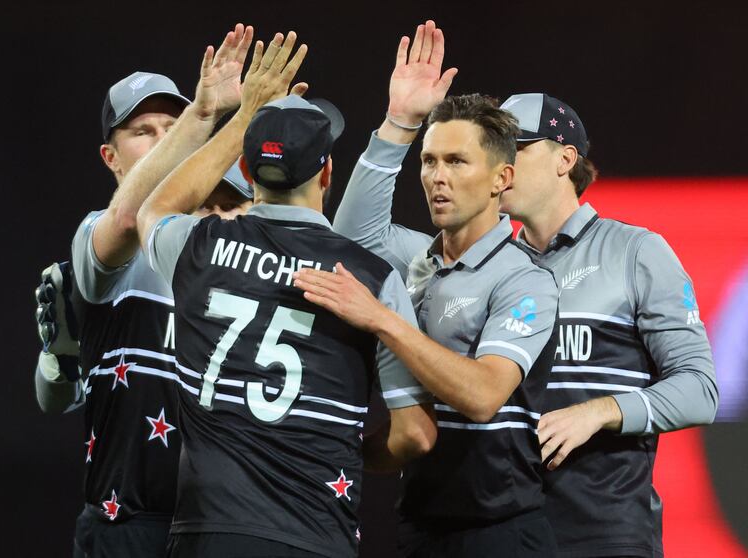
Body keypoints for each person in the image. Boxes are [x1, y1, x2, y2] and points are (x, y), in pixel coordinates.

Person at [136, 31, 437, 558]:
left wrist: (243, 117)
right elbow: (414, 436)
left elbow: (153, 209)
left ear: (248, 171)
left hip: (206, 533)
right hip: (313, 534)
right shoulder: (371, 278)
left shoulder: (198, 246)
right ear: (326, 170)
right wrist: (342, 446)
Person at [295, 20, 560, 558]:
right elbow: (352, 239)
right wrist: (399, 124)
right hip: (418, 525)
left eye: (457, 161)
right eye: (430, 161)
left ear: (501, 179)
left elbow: (483, 396)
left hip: (503, 532)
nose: (437, 176)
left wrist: (384, 319)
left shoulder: (526, 279)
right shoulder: (414, 257)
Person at [33, 24, 257, 558]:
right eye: (143, 131)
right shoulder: (102, 237)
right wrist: (60, 357)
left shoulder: (226, 237)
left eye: (172, 126)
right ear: (111, 157)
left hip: (224, 522)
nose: (163, 140)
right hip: (130, 524)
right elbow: (52, 398)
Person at [496, 92, 719, 557]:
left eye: (517, 147)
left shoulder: (636, 251)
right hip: (501, 527)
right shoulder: (491, 265)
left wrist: (599, 411)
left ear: (565, 159)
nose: (501, 166)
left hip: (603, 533)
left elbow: (700, 389)